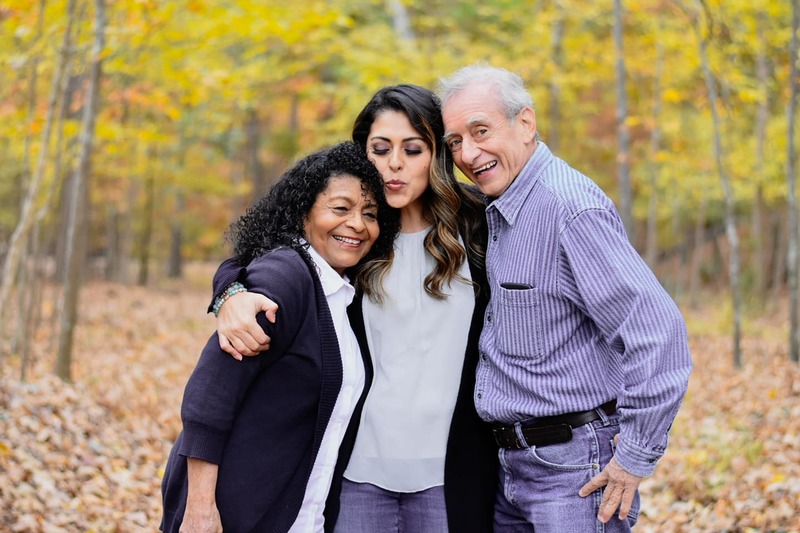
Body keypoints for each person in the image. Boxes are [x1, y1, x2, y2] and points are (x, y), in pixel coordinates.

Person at [209, 85, 498, 532]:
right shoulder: (353, 236)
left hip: (450, 475)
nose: (395, 164)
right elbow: (261, 256)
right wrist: (230, 294)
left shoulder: (479, 225)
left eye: (413, 149)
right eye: (380, 150)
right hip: (356, 474)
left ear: (436, 153)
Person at [436, 64, 693, 532]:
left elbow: (659, 333)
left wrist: (634, 458)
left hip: (574, 471)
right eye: (455, 141)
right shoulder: (500, 205)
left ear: (526, 123)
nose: (469, 153)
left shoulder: (568, 209)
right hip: (512, 466)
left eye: (481, 131)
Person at [160, 141, 400, 533]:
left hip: (298, 516)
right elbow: (209, 394)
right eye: (340, 208)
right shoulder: (287, 276)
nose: (358, 223)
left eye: (370, 214)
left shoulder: (340, 294)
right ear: (303, 211)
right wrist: (200, 509)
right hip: (228, 516)